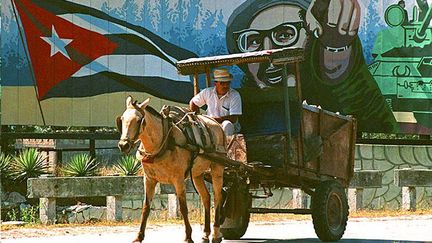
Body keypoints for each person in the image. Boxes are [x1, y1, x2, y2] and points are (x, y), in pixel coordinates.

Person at [226, 0, 399, 133]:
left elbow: (370, 116)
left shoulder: (325, 90)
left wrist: (337, 53)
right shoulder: (244, 100)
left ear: (311, 37)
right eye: (254, 41)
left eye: (285, 34)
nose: (268, 50)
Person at [189, 68, 242, 136]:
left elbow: (233, 118)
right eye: (222, 83)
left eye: (227, 82)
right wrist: (196, 118)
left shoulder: (235, 95)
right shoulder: (207, 92)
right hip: (210, 125)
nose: (225, 85)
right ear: (215, 83)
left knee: (227, 124)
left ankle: (227, 145)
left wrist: (214, 120)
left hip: (227, 127)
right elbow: (193, 103)